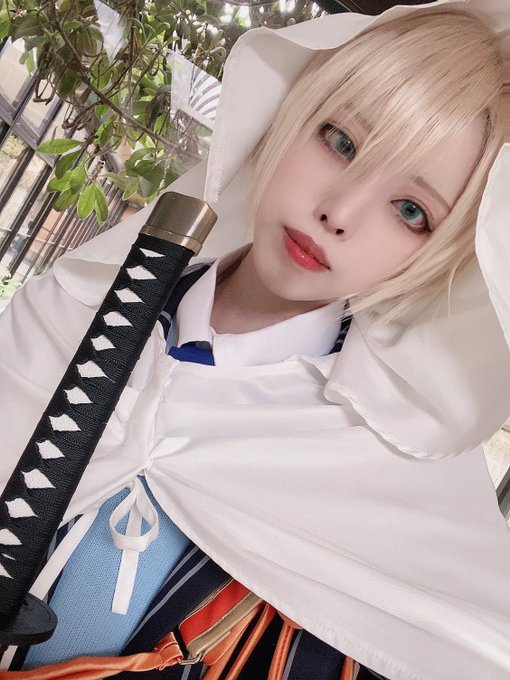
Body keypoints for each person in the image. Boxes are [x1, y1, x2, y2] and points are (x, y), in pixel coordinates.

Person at [0, 0, 510, 678]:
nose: (339, 211)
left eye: (410, 210)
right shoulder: (65, 312)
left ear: (444, 257)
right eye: (341, 141)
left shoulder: (405, 477)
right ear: (289, 115)